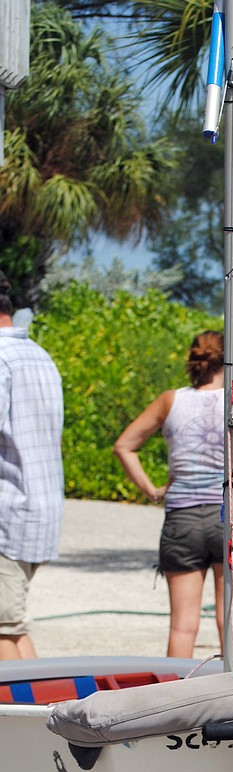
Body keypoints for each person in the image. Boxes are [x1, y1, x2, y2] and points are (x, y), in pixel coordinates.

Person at [114, 330, 226, 658]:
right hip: (228, 515)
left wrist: (151, 490)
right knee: (229, 620)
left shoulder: (171, 400)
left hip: (181, 518)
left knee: (182, 625)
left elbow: (124, 446)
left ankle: (174, 701)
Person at [0, 272, 64, 660]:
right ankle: (40, 716)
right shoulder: (39, 355)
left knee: (3, 630)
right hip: (38, 512)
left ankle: (14, 719)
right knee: (12, 625)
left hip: (7, 514)